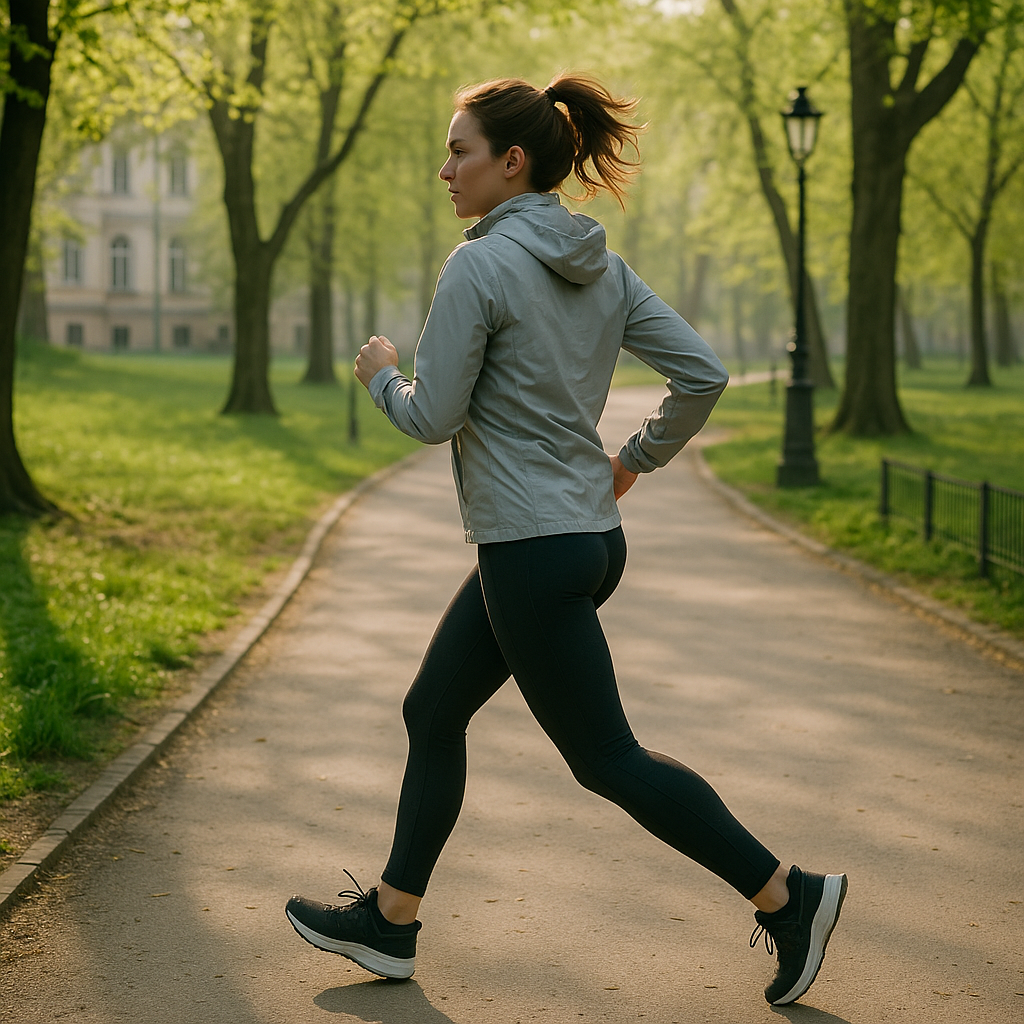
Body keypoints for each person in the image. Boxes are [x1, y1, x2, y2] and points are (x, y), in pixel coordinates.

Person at [285, 74, 846, 1007]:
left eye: (459, 151)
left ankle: (791, 898)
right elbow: (701, 376)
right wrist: (632, 459)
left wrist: (382, 376)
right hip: (583, 540)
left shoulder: (478, 266)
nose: (444, 170)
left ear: (513, 162)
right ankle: (390, 921)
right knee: (433, 712)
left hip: (531, 554)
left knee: (607, 759)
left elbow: (433, 418)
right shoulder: (604, 265)